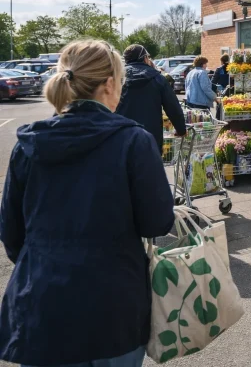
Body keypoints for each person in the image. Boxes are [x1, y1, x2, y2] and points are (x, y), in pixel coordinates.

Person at [0, 40, 175, 367]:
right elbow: (157, 222)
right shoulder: (133, 141)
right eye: (120, 81)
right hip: (113, 308)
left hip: (42, 305)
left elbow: (11, 234)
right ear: (109, 84)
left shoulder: (28, 145)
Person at [117, 44, 186, 153]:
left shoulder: (116, 78)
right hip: (150, 138)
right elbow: (173, 107)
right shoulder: (158, 78)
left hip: (121, 137)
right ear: (144, 58)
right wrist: (181, 129)